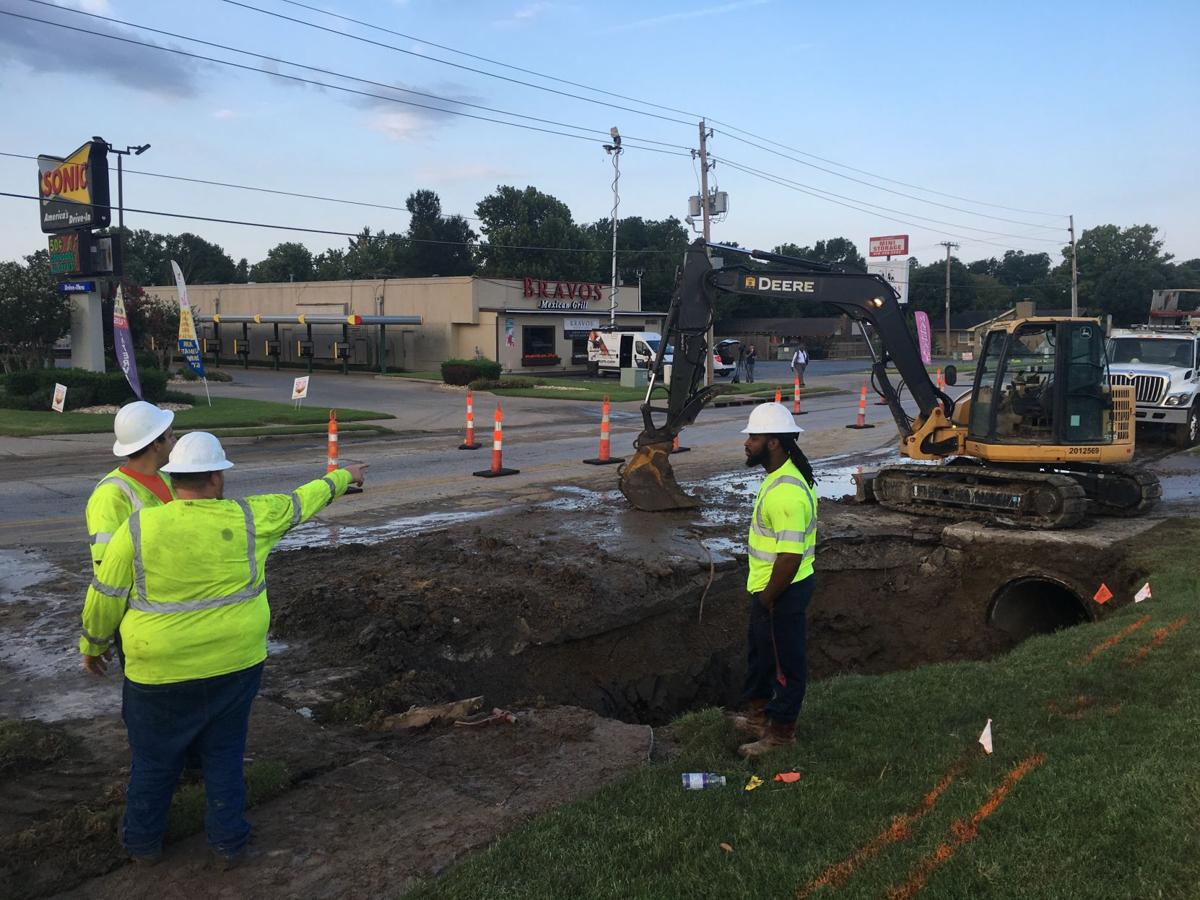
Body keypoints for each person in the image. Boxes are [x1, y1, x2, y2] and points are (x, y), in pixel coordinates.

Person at [79, 432, 367, 868]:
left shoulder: (137, 529)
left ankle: (142, 844)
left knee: (154, 762)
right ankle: (229, 840)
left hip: (158, 674)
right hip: (235, 666)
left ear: (174, 480)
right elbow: (302, 500)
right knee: (224, 756)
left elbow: (105, 595)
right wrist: (344, 477)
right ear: (216, 478)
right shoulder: (251, 517)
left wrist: (93, 644)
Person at [729, 403, 818, 759]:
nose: (747, 443)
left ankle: (780, 733)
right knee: (762, 656)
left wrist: (768, 598)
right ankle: (758, 716)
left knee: (786, 664)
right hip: (769, 587)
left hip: (783, 591)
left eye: (754, 437)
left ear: (775, 443)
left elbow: (790, 556)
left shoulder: (787, 493)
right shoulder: (781, 476)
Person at [86, 401, 177, 570]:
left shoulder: (168, 480)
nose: (175, 442)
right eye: (171, 436)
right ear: (156, 444)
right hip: (144, 594)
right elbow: (106, 564)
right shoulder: (110, 494)